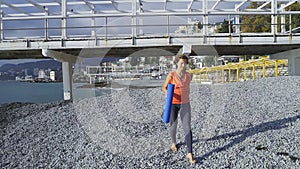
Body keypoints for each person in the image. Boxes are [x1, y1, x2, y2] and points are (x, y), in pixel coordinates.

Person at [162, 54, 196, 164]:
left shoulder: (188, 75)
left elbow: (188, 88)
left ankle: (190, 153)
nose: (183, 65)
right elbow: (164, 87)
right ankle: (173, 142)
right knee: (173, 125)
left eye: (185, 63)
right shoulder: (171, 75)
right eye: (181, 63)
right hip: (173, 104)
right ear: (177, 63)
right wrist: (167, 92)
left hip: (185, 104)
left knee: (187, 127)